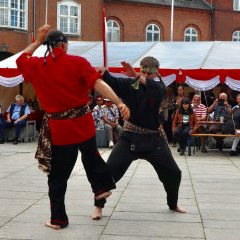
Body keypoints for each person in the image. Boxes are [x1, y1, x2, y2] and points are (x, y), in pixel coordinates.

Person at [15, 25, 130, 230]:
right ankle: (101, 187)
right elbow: (97, 84)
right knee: (90, 153)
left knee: (58, 176)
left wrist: (38, 40)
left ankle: (58, 220)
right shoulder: (78, 62)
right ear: (65, 45)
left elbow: (20, 59)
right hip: (83, 123)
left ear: (47, 46)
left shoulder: (35, 65)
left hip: (60, 129)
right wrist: (118, 102)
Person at [93, 56, 186, 220]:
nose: (145, 76)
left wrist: (136, 74)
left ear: (155, 74)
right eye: (143, 72)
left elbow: (155, 91)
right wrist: (105, 73)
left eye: (148, 74)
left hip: (154, 139)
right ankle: (98, 207)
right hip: (130, 137)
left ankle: (173, 204)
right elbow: (114, 83)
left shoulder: (159, 87)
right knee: (107, 172)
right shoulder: (130, 85)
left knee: (173, 173)